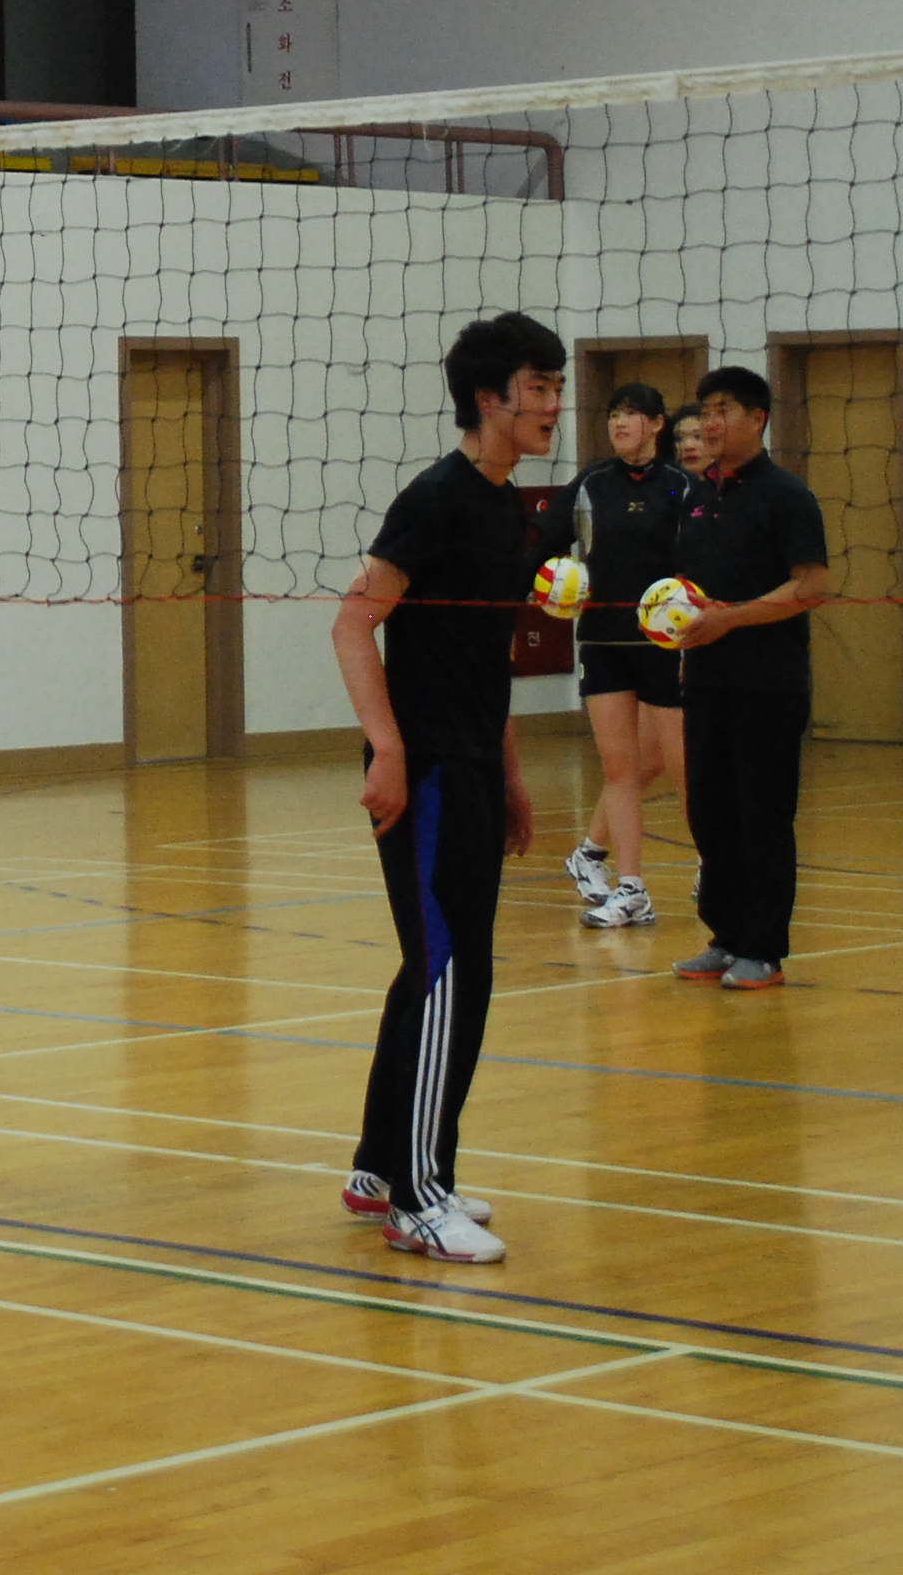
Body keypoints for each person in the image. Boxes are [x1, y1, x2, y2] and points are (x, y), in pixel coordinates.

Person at [330, 311, 559, 1265]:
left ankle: (384, 1167)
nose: (553, 405)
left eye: (557, 387)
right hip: (421, 770)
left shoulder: (512, 509)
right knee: (443, 970)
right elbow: (353, 624)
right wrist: (387, 749)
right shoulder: (433, 500)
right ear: (487, 398)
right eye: (537, 388)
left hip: (470, 766)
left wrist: (510, 774)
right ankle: (418, 1201)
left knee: (448, 967)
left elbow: (486, 658)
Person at [661, 368, 832, 994]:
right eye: (704, 410)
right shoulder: (697, 496)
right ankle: (725, 936)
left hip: (768, 684)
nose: (709, 423)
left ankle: (763, 949)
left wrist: (729, 619)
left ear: (757, 419)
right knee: (710, 813)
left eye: (723, 410)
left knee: (762, 815)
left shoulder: (786, 495)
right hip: (706, 680)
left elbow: (812, 586)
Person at [556, 382, 688, 930]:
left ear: (656, 424)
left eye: (631, 414)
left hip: (665, 645)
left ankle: (718, 868)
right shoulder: (591, 483)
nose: (619, 423)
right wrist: (547, 584)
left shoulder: (680, 485)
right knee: (621, 768)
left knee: (680, 765)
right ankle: (631, 888)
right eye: (613, 414)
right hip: (603, 641)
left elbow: (700, 558)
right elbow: (547, 541)